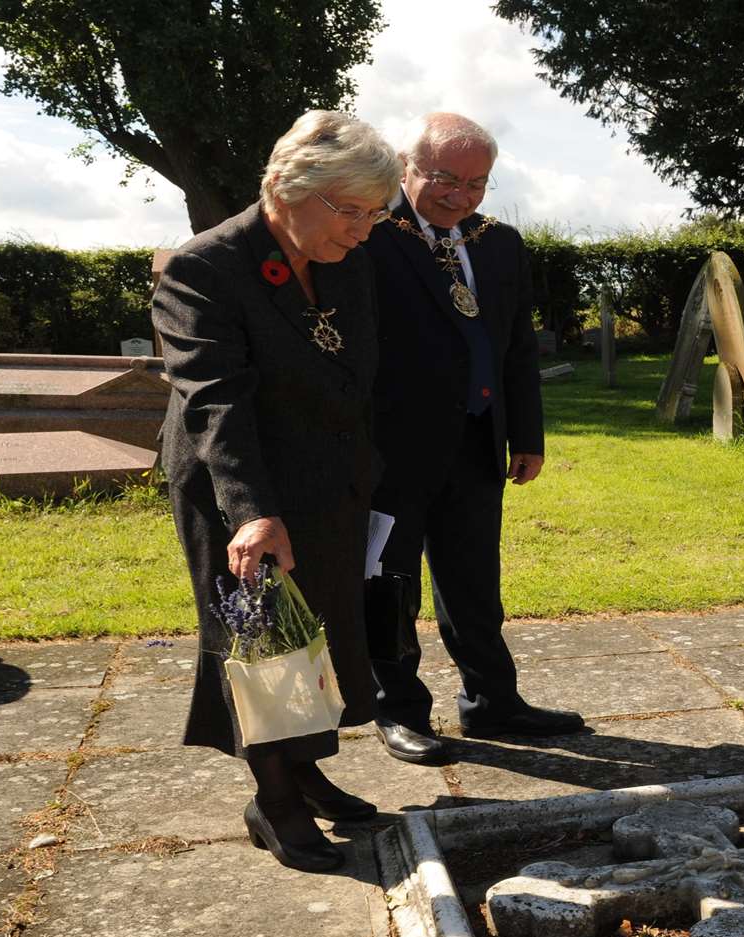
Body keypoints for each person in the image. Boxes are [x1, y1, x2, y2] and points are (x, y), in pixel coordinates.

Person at [152, 110, 402, 873]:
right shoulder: (205, 269)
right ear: (288, 188)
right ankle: (273, 800)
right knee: (258, 640)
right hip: (237, 483)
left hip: (327, 476)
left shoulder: (346, 256)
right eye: (350, 211)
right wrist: (253, 512)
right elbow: (216, 400)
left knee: (319, 626)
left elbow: (356, 370)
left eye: (375, 214)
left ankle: (305, 768)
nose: (363, 230)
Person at [361, 112, 585, 765]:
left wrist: (527, 435)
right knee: (388, 584)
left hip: (477, 440)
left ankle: (493, 702)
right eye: (444, 180)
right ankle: (397, 709)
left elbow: (515, 347)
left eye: (477, 183)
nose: (461, 197)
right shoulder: (370, 234)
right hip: (390, 451)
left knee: (474, 584)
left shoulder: (499, 242)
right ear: (406, 166)